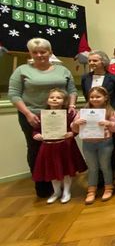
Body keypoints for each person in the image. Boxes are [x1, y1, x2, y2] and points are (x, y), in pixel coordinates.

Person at [8, 38, 78, 198]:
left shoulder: (62, 70)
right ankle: (43, 186)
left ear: (50, 52)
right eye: (35, 52)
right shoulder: (22, 70)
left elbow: (72, 90)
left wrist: (72, 106)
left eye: (43, 51)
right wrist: (27, 114)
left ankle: (61, 184)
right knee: (36, 149)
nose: (39, 55)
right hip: (34, 116)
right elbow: (14, 94)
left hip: (60, 116)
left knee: (61, 149)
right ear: (30, 53)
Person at [32, 88, 86, 204]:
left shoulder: (69, 114)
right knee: (52, 170)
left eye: (58, 97)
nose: (55, 99)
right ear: (47, 100)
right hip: (48, 147)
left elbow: (75, 128)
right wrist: (37, 135)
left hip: (65, 146)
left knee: (67, 170)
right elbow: (36, 130)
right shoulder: (41, 115)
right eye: (52, 97)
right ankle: (56, 192)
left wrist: (73, 133)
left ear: (64, 101)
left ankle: (67, 191)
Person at [71, 86, 115, 204]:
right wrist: (76, 123)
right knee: (92, 168)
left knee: (105, 166)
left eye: (98, 96)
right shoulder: (83, 112)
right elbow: (75, 129)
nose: (95, 99)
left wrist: (108, 123)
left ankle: (108, 187)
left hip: (105, 143)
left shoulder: (110, 111)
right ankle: (91, 190)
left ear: (105, 98)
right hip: (88, 143)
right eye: (92, 97)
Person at [82, 51, 115, 115]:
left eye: (95, 61)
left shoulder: (114, 78)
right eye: (89, 61)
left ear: (103, 62)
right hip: (92, 113)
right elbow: (86, 95)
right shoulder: (85, 78)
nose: (91, 63)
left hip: (110, 113)